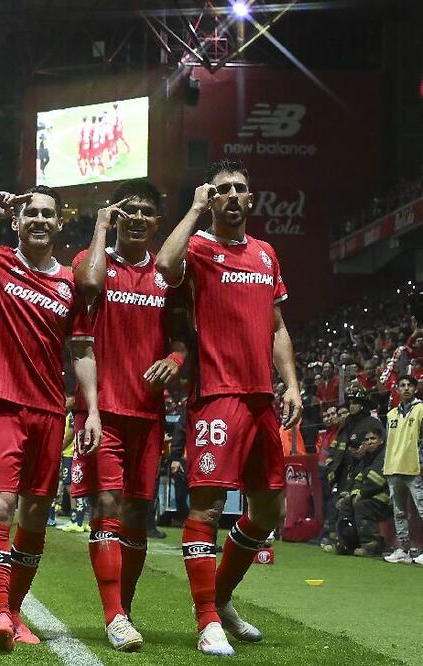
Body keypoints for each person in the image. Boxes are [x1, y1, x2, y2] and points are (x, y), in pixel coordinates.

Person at [156, 159, 302, 657]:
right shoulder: (198, 249)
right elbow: (163, 265)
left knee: (269, 510)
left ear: (251, 198)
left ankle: (219, 597)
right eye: (224, 190)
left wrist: (292, 385)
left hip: (263, 399)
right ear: (213, 198)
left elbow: (277, 326)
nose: (234, 196)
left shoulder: (266, 254)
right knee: (208, 507)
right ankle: (206, 622)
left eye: (241, 188)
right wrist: (195, 208)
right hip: (218, 395)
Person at [0, 187, 101, 651]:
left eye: (46, 214)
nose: (37, 219)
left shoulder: (70, 285)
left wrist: (90, 408)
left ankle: (14, 613)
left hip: (50, 410)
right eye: (29, 213)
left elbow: (81, 349)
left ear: (59, 225)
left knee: (35, 516)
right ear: (15, 223)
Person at [70, 179, 186, 652]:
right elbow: (89, 284)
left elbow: (181, 340)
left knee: (139, 514)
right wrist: (99, 224)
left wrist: (176, 362)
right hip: (102, 413)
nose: (137, 218)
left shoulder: (168, 277)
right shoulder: (93, 260)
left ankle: (125, 609)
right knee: (108, 508)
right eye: (129, 210)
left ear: (157, 222)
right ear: (117, 216)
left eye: (146, 212)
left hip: (149, 414)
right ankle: (113, 614)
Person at [382, 376, 423, 564]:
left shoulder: (421, 409)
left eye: (409, 386)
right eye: (402, 386)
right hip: (393, 467)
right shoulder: (391, 414)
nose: (406, 389)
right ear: (397, 389)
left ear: (415, 389)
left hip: (414, 467)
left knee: (422, 509)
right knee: (399, 512)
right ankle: (403, 550)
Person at [335, 428, 391, 557]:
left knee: (362, 506)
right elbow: (355, 478)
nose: (370, 442)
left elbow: (376, 481)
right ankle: (346, 543)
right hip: (367, 495)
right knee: (345, 504)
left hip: (384, 498)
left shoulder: (384, 455)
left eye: (373, 439)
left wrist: (359, 493)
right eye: (367, 439)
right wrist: (346, 495)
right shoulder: (365, 458)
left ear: (381, 440)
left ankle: (371, 546)